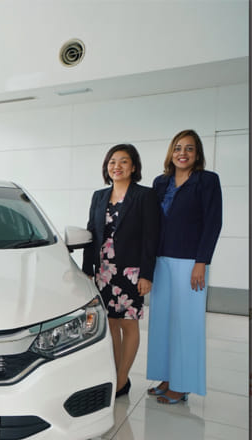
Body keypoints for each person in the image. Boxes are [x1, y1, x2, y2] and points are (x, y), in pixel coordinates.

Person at [146, 130, 222, 404]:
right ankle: (168, 377)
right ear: (171, 152)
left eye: (189, 148)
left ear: (197, 153)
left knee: (186, 324)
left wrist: (201, 262)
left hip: (191, 262)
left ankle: (183, 384)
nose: (183, 153)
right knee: (162, 322)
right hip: (161, 261)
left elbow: (213, 222)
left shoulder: (207, 181)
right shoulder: (160, 182)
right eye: (178, 148)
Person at [82, 144, 160, 399]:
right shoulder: (99, 196)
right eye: (112, 161)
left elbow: (151, 238)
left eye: (123, 161)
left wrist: (146, 274)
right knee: (111, 324)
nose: (117, 166)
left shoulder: (144, 196)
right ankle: (115, 375)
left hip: (131, 271)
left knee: (129, 323)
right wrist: (87, 269)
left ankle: (123, 377)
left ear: (133, 167)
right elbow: (91, 233)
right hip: (104, 270)